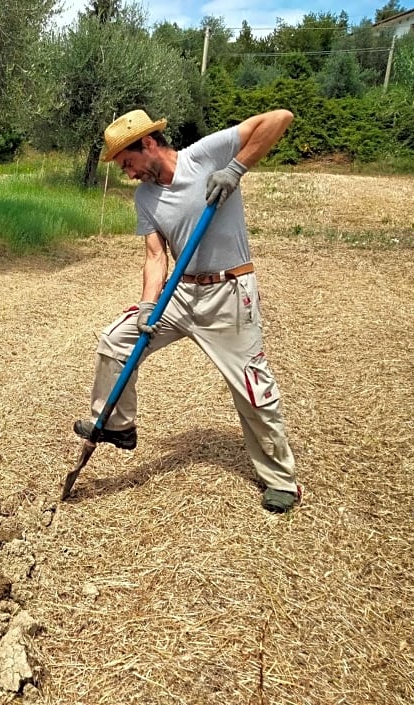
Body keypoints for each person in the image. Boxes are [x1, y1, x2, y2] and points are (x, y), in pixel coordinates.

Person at [74, 108, 302, 513]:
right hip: (181, 294)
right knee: (116, 339)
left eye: (128, 162)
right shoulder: (144, 197)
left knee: (252, 388)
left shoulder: (205, 156)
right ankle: (118, 426)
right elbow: (155, 256)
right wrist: (148, 306)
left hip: (229, 291)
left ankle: (281, 481)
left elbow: (279, 118)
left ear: (148, 143)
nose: (128, 174)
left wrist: (234, 169)